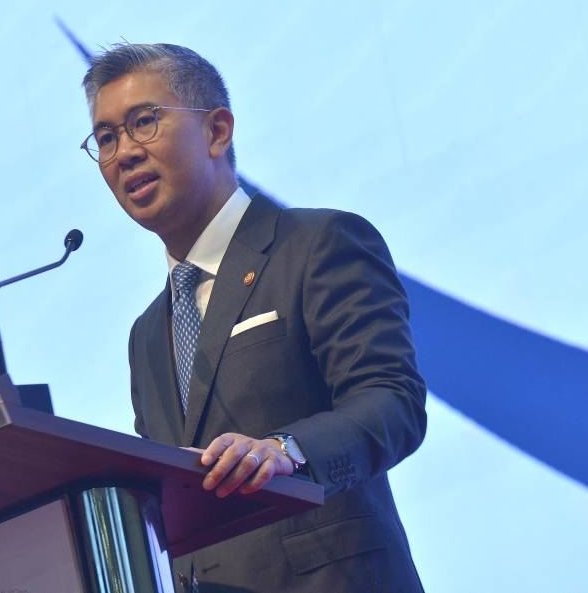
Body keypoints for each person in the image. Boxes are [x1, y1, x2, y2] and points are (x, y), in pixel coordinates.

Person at [81, 42, 427, 593]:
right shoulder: (146, 335)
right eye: (105, 138)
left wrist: (286, 450)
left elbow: (392, 401)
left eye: (144, 122)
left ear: (217, 131)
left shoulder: (315, 244)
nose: (123, 152)